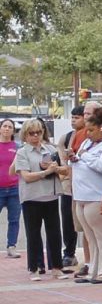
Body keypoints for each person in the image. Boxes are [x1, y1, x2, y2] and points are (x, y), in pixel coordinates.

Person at [12, 118, 70, 280]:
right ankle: (34, 268)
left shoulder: (50, 149)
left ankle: (57, 267)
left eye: (39, 132)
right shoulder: (22, 152)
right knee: (33, 234)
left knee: (54, 233)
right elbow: (26, 176)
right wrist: (45, 172)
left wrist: (55, 168)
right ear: (25, 135)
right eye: (32, 133)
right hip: (32, 197)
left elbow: (65, 170)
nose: (36, 136)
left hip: (50, 196)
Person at [69, 105, 102, 283]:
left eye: (91, 130)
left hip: (97, 196)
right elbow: (79, 157)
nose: (88, 134)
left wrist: (84, 156)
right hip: (81, 195)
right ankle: (93, 271)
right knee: (91, 238)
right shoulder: (87, 143)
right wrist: (75, 157)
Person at [57, 105, 83, 269]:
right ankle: (69, 253)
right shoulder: (66, 138)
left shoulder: (93, 136)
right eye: (72, 117)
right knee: (68, 220)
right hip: (69, 186)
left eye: (77, 117)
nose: (74, 120)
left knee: (89, 222)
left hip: (88, 186)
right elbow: (63, 163)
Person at [0, 118, 21, 258]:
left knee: (14, 220)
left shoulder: (18, 147)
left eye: (10, 127)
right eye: (4, 126)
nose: (7, 129)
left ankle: (11, 246)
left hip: (14, 189)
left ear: (13, 130)